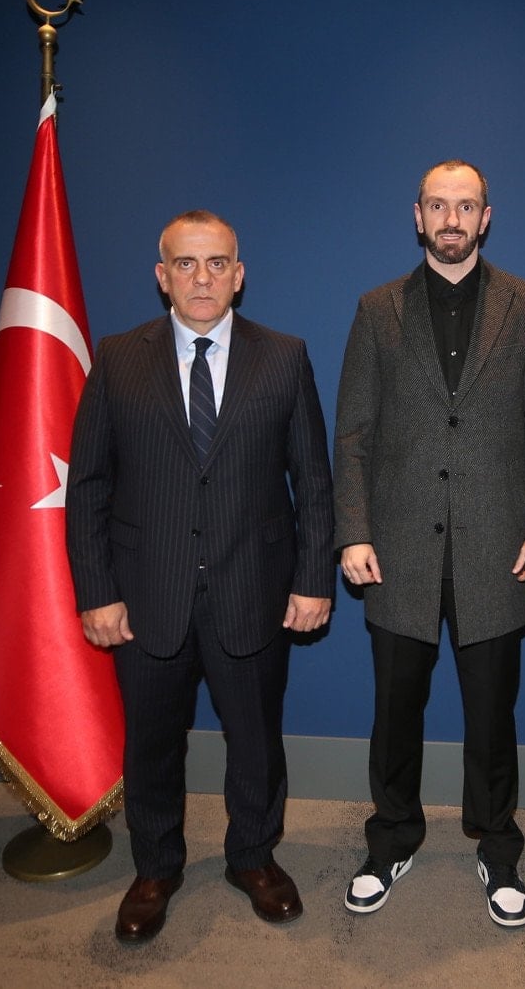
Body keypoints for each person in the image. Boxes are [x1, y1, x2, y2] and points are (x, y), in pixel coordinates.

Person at [65, 209, 334, 942]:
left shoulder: (284, 357)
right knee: (152, 744)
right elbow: (87, 485)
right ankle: (156, 868)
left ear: (239, 276)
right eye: (186, 263)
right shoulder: (118, 358)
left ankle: (253, 857)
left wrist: (314, 579)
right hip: (146, 594)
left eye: (218, 263)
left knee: (256, 740)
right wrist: (97, 592)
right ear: (163, 277)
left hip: (254, 588)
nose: (203, 278)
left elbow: (313, 481)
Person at [334, 159, 525, 927]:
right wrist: (353, 532)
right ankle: (391, 838)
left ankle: (498, 848)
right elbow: (353, 434)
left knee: (493, 719)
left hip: (498, 552)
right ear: (418, 215)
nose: (451, 219)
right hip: (397, 552)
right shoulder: (377, 309)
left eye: (465, 206)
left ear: (485, 217)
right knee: (394, 714)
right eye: (438, 205)